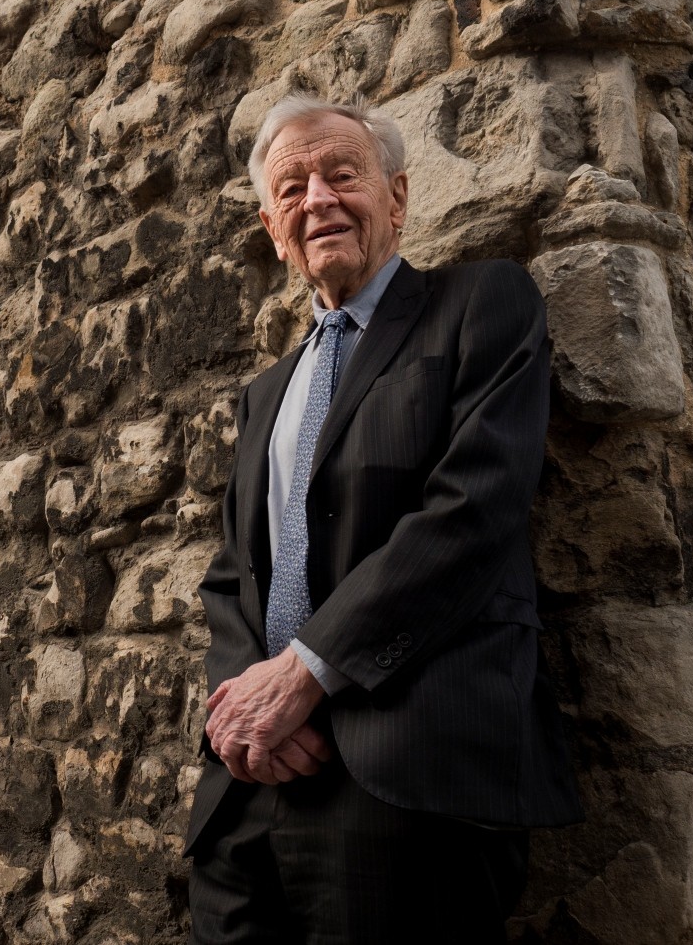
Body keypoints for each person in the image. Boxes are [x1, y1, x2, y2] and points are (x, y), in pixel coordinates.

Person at [186, 92, 582, 943]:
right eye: (291, 188)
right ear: (271, 227)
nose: (317, 199)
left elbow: (471, 510)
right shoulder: (265, 394)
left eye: (341, 174)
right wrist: (244, 715)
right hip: (254, 787)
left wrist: (303, 676)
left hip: (405, 782)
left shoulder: (482, 306)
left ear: (397, 199)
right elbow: (231, 577)